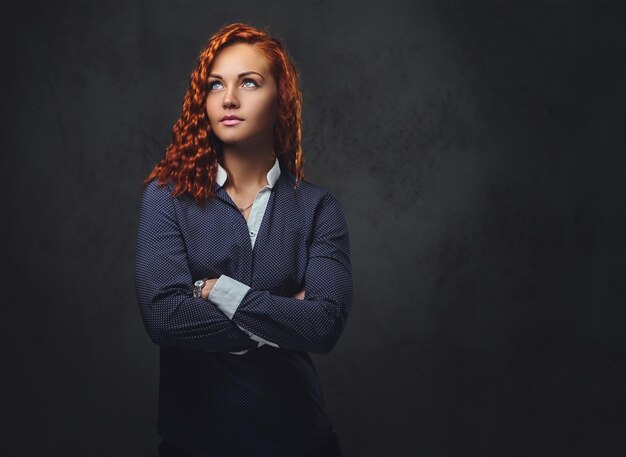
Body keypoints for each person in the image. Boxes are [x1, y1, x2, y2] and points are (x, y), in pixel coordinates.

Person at [134, 22, 354, 457]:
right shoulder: (166, 197)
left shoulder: (317, 209)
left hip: (300, 441)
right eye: (216, 85)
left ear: (282, 99)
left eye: (249, 82)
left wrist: (217, 292)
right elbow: (164, 317)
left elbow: (325, 326)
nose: (229, 99)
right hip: (195, 443)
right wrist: (285, 316)